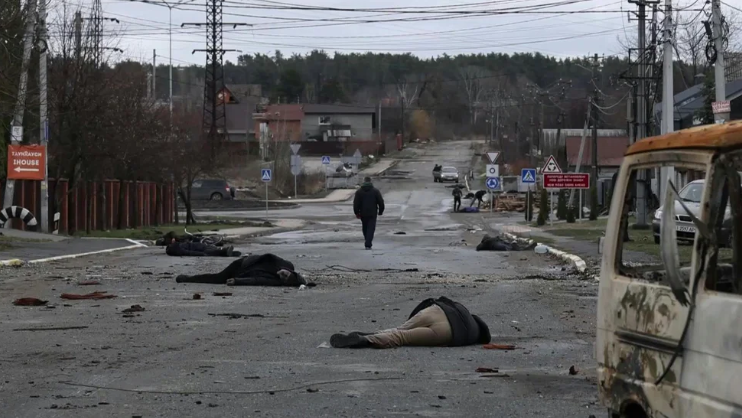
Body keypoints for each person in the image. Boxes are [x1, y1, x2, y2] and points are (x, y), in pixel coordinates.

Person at [330, 297, 491, 349]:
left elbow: (436, 301)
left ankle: (376, 333)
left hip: (437, 311)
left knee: (400, 328)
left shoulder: (465, 312)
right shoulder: (472, 336)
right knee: (402, 337)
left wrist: (411, 318)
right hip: (447, 333)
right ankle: (366, 340)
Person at [175, 253, 308, 287]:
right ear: (291, 272)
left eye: (285, 279)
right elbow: (268, 256)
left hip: (243, 272)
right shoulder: (286, 264)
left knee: (219, 279)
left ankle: (187, 279)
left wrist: (238, 281)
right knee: (218, 278)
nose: (283, 276)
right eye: (287, 275)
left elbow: (257, 281)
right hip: (243, 264)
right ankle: (188, 278)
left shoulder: (276, 281)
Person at [353, 176, 385, 250]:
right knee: (371, 228)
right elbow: (381, 202)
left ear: (364, 182)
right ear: (370, 182)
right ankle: (368, 243)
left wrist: (356, 212)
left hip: (363, 213)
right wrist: (380, 211)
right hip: (372, 213)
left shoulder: (359, 192)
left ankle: (367, 240)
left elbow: (356, 203)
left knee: (365, 227)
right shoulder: (375, 191)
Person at [166, 238, 239, 257]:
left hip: (198, 246)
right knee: (211, 252)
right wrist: (200, 254)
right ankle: (225, 251)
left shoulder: (177, 245)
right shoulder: (175, 249)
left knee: (212, 250)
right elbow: (188, 252)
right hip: (199, 249)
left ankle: (227, 252)